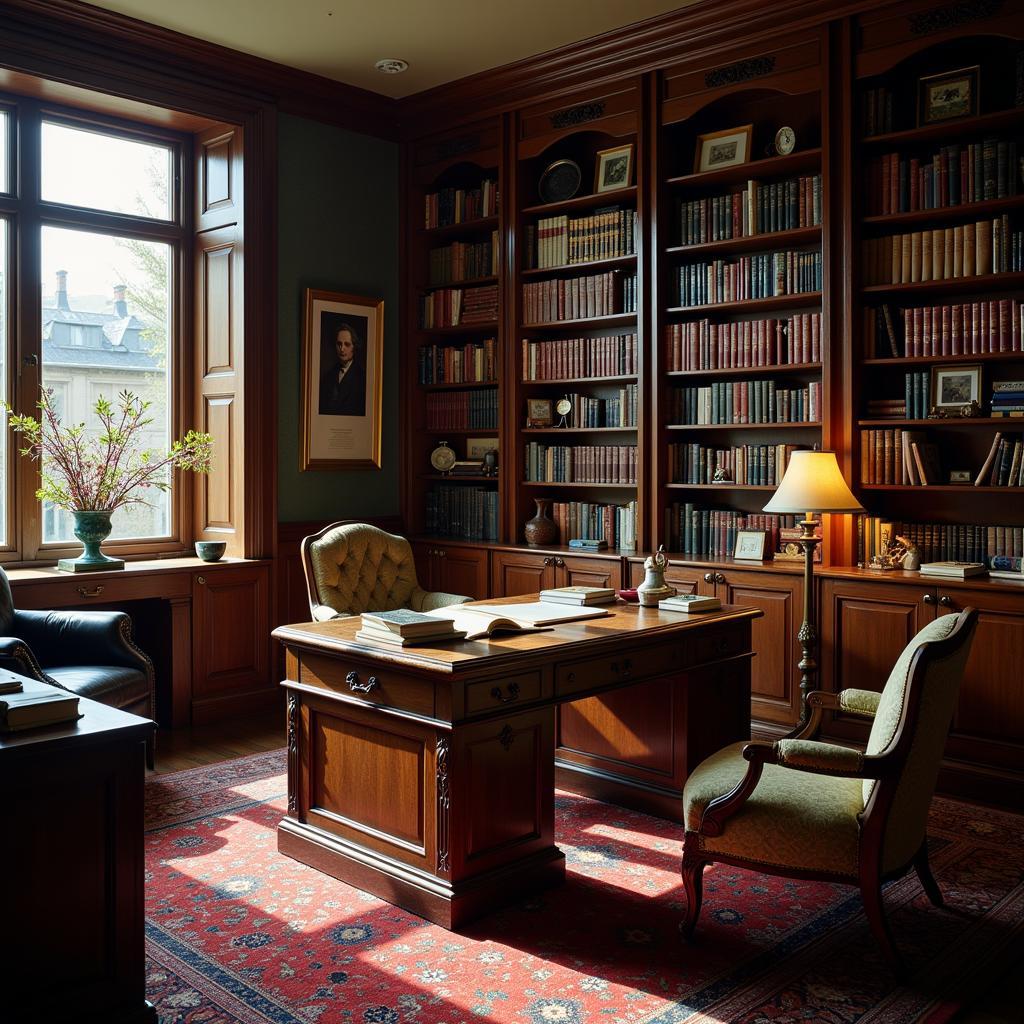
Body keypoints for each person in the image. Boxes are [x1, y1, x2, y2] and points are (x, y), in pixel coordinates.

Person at [318, 321, 366, 416]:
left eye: (347, 344)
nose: (342, 349)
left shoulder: (362, 377)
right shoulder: (328, 376)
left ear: (354, 347)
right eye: (339, 344)